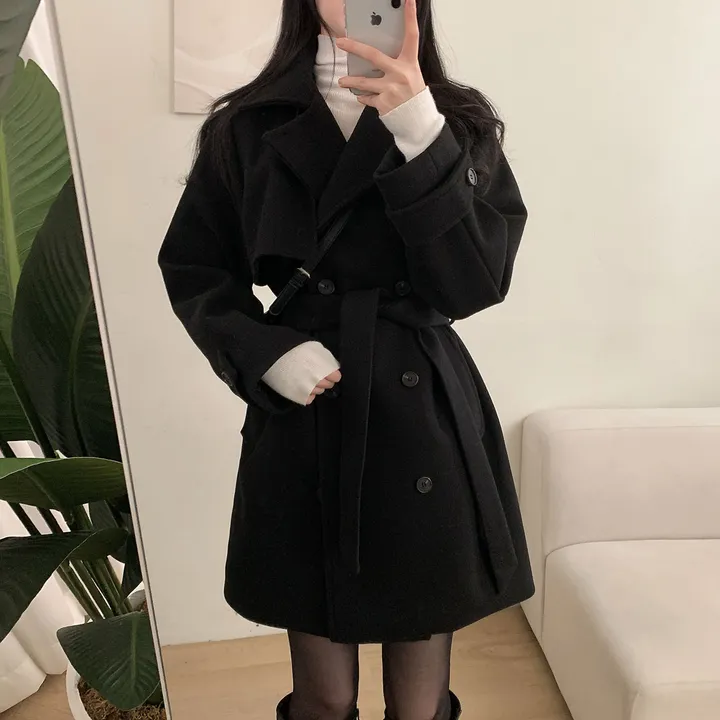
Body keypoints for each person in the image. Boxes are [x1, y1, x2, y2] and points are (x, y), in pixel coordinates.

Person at [158, 0, 535, 717]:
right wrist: (267, 352)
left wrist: (419, 127)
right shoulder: (247, 125)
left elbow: (475, 284)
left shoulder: (457, 123)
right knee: (324, 698)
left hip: (421, 413)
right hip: (309, 403)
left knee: (418, 700)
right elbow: (195, 268)